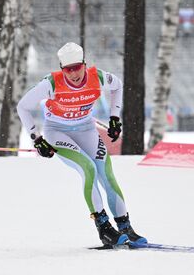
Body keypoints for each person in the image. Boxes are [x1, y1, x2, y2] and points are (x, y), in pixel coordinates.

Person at [16, 42, 146, 247]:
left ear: (84, 64)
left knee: (106, 172)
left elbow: (118, 85)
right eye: (68, 70)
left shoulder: (98, 77)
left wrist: (114, 118)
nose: (74, 73)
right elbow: (23, 106)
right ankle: (104, 228)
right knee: (88, 169)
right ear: (62, 69)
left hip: (86, 129)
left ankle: (125, 227)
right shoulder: (50, 83)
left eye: (77, 67)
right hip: (57, 132)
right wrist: (37, 139)